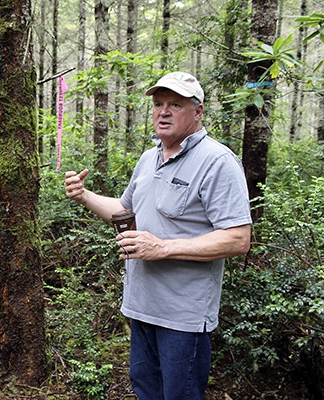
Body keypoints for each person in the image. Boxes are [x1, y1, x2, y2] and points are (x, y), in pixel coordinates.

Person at [64, 71, 252, 400]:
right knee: (146, 391)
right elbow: (124, 211)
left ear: (198, 112)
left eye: (175, 104)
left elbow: (238, 239)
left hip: (184, 317)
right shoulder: (149, 159)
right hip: (141, 306)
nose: (163, 111)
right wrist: (84, 195)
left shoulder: (217, 162)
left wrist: (162, 247)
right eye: (158, 104)